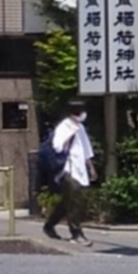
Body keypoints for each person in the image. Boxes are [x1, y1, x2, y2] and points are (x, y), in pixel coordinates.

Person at [43, 100, 97, 246]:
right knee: (75, 201)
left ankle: (49, 225)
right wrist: (69, 135)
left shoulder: (80, 127)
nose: (82, 114)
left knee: (67, 202)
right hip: (68, 169)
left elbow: (86, 149)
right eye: (79, 112)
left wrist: (91, 167)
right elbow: (57, 147)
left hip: (80, 168)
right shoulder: (64, 127)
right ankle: (76, 234)